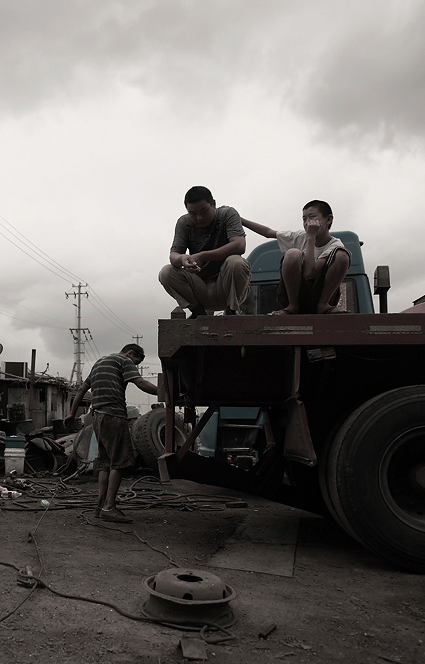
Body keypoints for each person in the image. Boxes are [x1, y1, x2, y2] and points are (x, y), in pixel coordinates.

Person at [65, 344, 159, 523]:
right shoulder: (123, 360)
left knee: (105, 462)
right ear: (130, 353)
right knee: (119, 462)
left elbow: (82, 390)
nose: (135, 365)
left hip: (98, 417)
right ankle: (110, 507)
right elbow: (140, 382)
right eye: (136, 361)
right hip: (114, 415)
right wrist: (164, 393)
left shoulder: (99, 362)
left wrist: (71, 413)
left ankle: (100, 506)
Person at [242, 200, 351, 315]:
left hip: (317, 294)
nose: (307, 223)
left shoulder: (334, 245)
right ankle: (292, 306)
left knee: (342, 255)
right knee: (292, 254)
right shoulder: (300, 236)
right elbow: (269, 232)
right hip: (298, 294)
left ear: (328, 219)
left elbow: (309, 273)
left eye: (312, 217)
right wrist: (241, 220)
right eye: (304, 219)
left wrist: (310, 238)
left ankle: (323, 305)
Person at [159, 186, 252, 318]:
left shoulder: (227, 214)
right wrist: (183, 259)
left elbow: (239, 245)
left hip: (226, 286)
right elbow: (173, 255)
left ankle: (232, 309)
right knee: (166, 272)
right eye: (193, 213)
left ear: (213, 204)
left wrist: (203, 256)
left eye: (204, 211)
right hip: (200, 288)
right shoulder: (184, 223)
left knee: (236, 262)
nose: (199, 218)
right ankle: (197, 312)